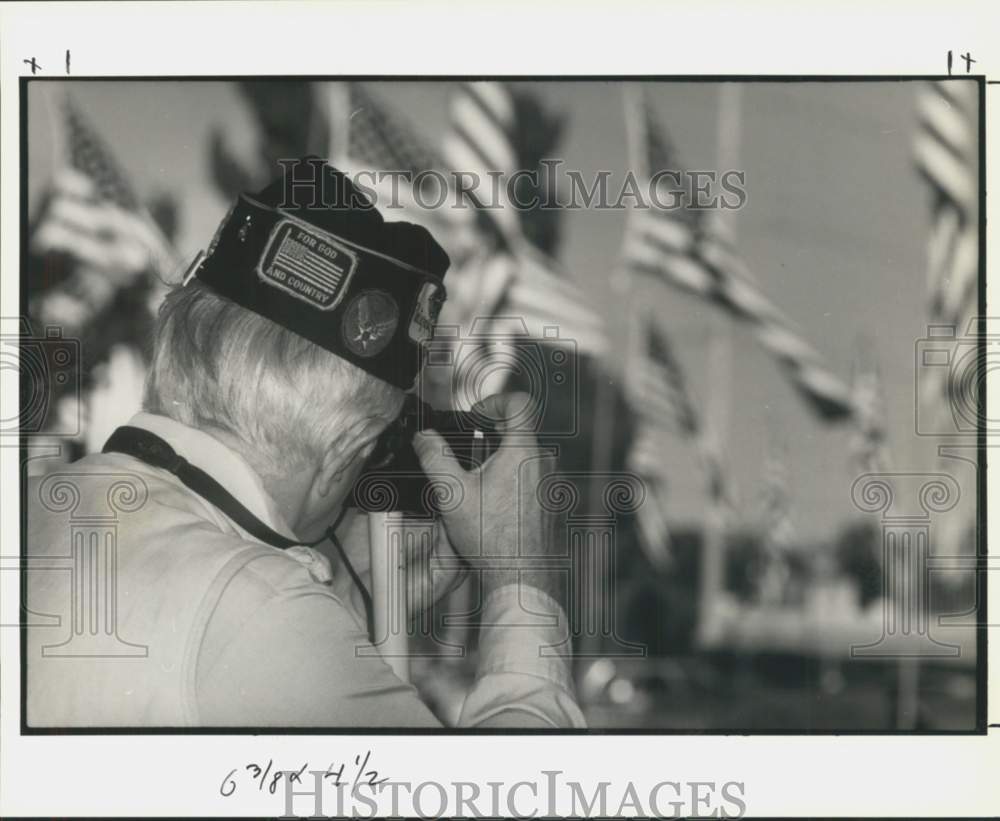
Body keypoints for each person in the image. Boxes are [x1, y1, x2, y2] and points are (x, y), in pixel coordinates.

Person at [25, 160, 584, 728]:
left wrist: (345, 599)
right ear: (350, 444)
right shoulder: (259, 609)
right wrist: (521, 580)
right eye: (382, 436)